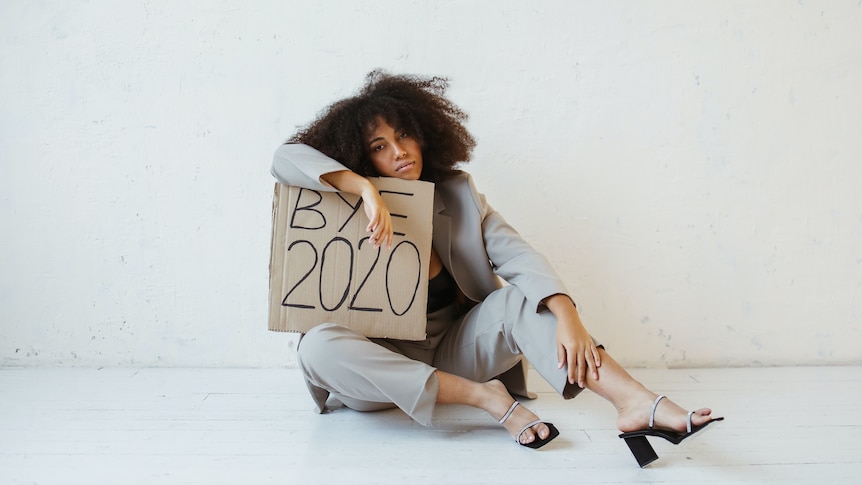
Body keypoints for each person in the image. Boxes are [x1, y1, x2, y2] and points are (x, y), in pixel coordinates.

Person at [271, 71, 721, 464]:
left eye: (405, 135)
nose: (399, 151)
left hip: (454, 350)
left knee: (517, 300)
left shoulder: (459, 195)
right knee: (315, 347)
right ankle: (485, 398)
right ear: (361, 156)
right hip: (377, 375)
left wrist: (568, 316)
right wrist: (364, 191)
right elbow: (285, 158)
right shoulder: (345, 202)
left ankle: (636, 403)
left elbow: (519, 256)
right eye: (379, 146)